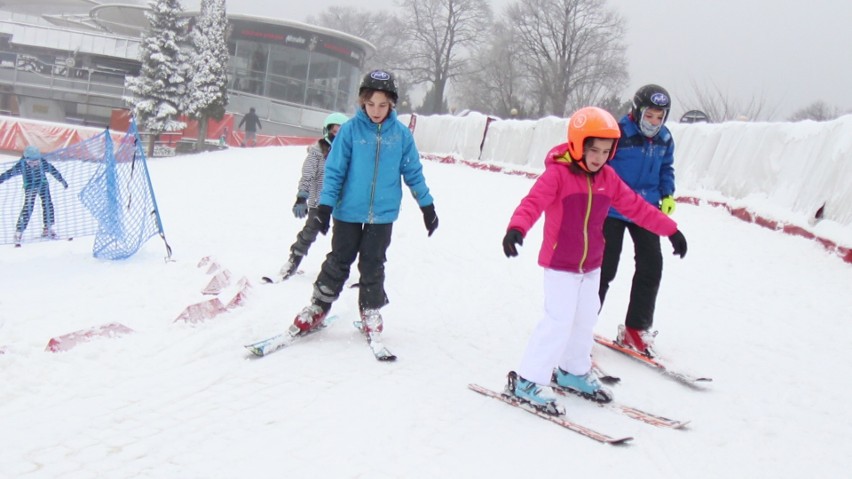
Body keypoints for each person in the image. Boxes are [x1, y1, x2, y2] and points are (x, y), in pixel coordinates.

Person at [501, 106, 687, 412]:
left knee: (586, 318)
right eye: (593, 150)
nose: (599, 157)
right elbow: (532, 203)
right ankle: (527, 379)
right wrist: (516, 229)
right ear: (577, 145)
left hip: (591, 265)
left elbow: (637, 208)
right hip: (560, 263)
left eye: (605, 150)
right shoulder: (558, 175)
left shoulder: (608, 178)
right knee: (558, 321)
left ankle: (573, 371)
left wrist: (671, 231)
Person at [288, 69, 438, 342]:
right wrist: (324, 208)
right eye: (371, 104)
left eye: (383, 105)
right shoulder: (349, 132)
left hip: (381, 215)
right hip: (348, 213)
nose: (376, 110)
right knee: (338, 260)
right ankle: (319, 306)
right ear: (362, 103)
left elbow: (413, 172)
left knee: (373, 263)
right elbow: (334, 172)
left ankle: (370, 310)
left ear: (392, 104)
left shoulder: (401, 136)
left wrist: (427, 206)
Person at [598, 84, 676, 358]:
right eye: (649, 115)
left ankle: (635, 327)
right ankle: (580, 328)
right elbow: (600, 165)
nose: (654, 122)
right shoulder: (618, 134)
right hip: (613, 209)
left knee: (651, 266)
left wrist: (667, 193)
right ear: (637, 111)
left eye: (660, 117)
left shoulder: (665, 139)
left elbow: (667, 168)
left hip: (645, 208)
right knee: (604, 269)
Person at [278, 111, 349, 279]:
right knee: (310, 231)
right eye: (334, 130)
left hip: (341, 203)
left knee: (345, 238)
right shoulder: (319, 150)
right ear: (328, 130)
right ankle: (293, 261)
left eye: (341, 130)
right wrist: (301, 197)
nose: (337, 134)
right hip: (320, 201)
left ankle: (339, 270)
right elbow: (308, 174)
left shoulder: (348, 152)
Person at [0, 146, 68, 247]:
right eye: (31, 162)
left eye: (36, 161)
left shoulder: (42, 162)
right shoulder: (22, 165)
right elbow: (9, 173)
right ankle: (19, 231)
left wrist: (62, 180)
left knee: (48, 204)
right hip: (30, 186)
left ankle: (48, 228)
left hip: (43, 184)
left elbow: (53, 170)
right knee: (28, 207)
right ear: (26, 159)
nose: (34, 164)